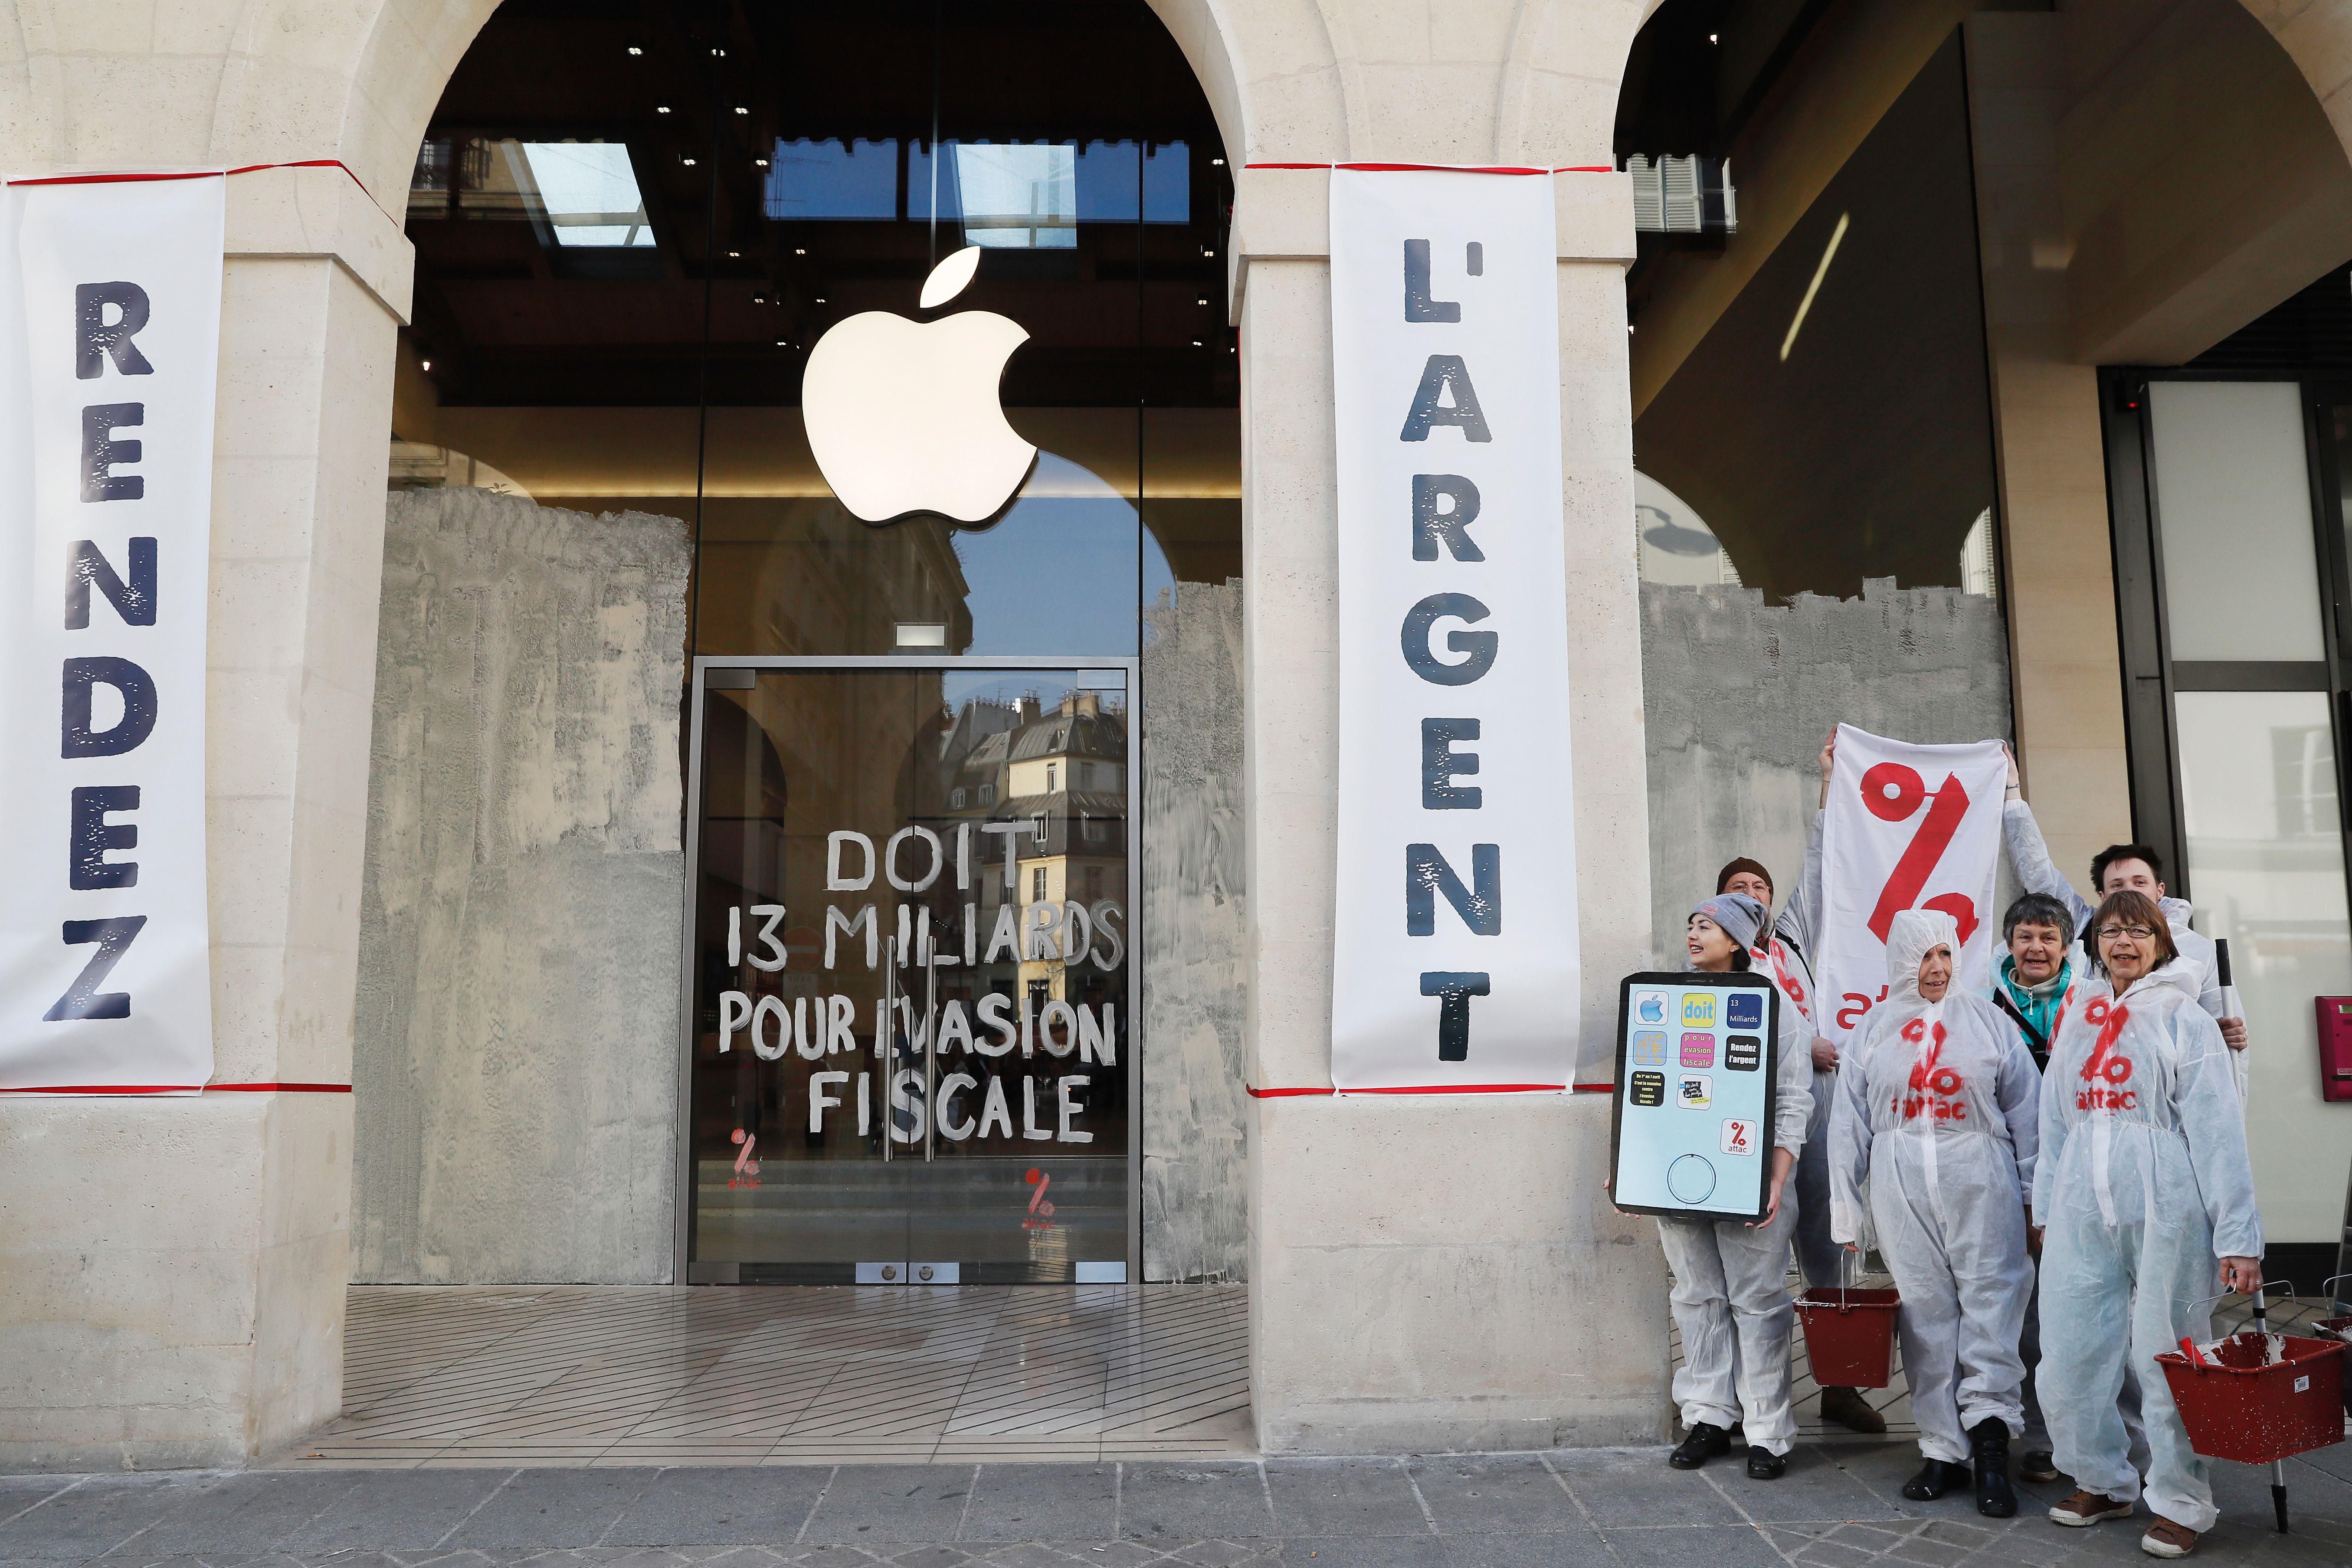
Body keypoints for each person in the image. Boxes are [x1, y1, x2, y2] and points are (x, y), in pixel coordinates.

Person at [2034, 890, 2263, 1559]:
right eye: (2110, 930)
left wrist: (2237, 1236)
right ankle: (2101, 1479)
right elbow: (2053, 1124)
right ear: (2095, 942)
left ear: (2160, 940)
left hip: (2166, 1199)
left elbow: (2219, 1132)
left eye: (2137, 929)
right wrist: (2045, 1207)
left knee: (2167, 1356)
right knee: (2069, 1354)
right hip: (2081, 1200)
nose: (2122, 941)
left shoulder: (2182, 1018)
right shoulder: (2077, 1013)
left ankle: (2181, 1501)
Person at [1830, 910, 2040, 1517]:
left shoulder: (1988, 1024)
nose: (1937, 968)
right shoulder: (1871, 1030)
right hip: (1900, 1189)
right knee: (1924, 1315)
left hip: (1982, 1184)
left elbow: (2026, 1117)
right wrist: (1846, 1211)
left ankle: (1992, 1445)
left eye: (1945, 954)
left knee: (1991, 1307)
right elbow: (1847, 1126)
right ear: (1900, 959)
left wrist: (2033, 1200)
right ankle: (1942, 1448)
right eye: (1924, 956)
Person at [1712, 733, 1886, 1438]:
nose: (1751, 894)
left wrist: (1828, 781)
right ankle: (1739, 1406)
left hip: (1817, 1118)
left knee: (1831, 1255)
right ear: (1717, 907)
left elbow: (1820, 866)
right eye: (1736, 889)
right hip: (1752, 1130)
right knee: (1750, 1277)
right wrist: (1797, 1044)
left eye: (1758, 887)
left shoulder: (1787, 946)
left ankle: (1841, 1387)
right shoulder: (1714, 968)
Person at [1653, 892, 1815, 1480]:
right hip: (1678, 1179)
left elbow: (1793, 1098)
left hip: (1751, 1177)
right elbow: (1644, 1093)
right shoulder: (1666, 1001)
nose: (1695, 934)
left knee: (1758, 1301)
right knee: (1695, 1296)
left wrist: (1776, 1175)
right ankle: (1708, 1416)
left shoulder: (1775, 1006)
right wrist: (1634, 1164)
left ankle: (1767, 1430)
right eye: (1691, 923)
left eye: (1708, 926)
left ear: (1738, 941)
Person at [2000, 746, 2246, 1054]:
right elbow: (2037, 871)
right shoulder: (2081, 928)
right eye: (2117, 885)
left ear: (2160, 890)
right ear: (2102, 897)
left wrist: (2222, 1037)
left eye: (2140, 882)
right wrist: (2012, 793)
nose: (2129, 892)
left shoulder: (2198, 950)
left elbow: (2227, 1040)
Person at [1985, 891, 2074, 1485]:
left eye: (2047, 936)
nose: (2035, 947)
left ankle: (2076, 1436)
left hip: (2078, 1176)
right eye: (2025, 936)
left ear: (2066, 945)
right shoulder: (1981, 1005)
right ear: (2009, 942)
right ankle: (2026, 1432)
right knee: (2022, 1315)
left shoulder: (2092, 1003)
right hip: (2002, 1177)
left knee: (2079, 1313)